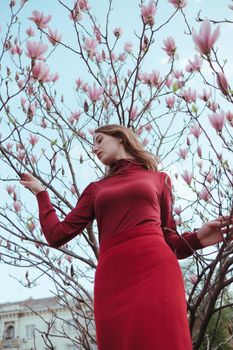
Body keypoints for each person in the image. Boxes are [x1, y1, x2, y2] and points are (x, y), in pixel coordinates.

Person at [20, 124, 232, 350]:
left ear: (120, 137)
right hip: (112, 279)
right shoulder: (95, 189)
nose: (94, 149)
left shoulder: (159, 179)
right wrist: (42, 194)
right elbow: (56, 235)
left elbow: (171, 241)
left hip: (157, 270)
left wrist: (199, 238)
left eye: (99, 140)